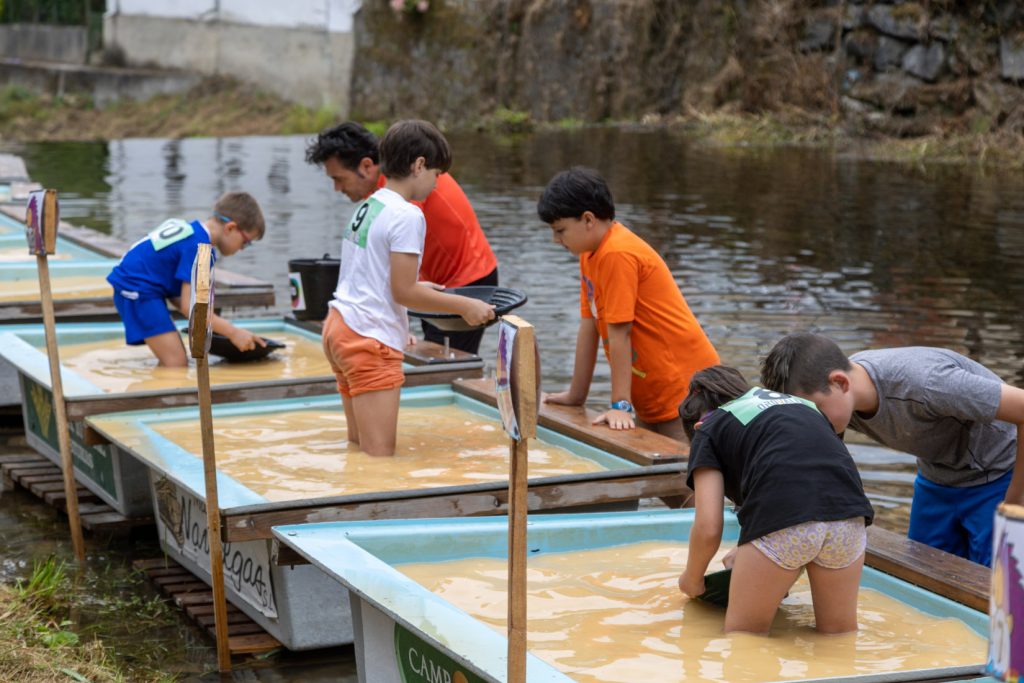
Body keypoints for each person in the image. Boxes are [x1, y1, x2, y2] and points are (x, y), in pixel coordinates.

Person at [760, 333, 1024, 566]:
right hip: (938, 475)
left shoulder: (927, 383)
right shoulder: (838, 400)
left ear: (840, 382)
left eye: (813, 411)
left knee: (998, 584)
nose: (810, 424)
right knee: (924, 573)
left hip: (1000, 472)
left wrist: (1014, 501)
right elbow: (802, 468)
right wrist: (764, 541)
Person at [321, 119, 495, 457]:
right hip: (368, 339)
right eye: (436, 174)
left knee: (358, 451)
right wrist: (465, 306)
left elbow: (368, 274)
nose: (437, 183)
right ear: (418, 166)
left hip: (339, 327)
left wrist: (417, 287)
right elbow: (404, 293)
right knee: (380, 459)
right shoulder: (408, 214)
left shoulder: (369, 206)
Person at [677, 366, 875, 635]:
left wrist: (692, 578)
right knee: (838, 638)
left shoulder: (708, 429)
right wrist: (750, 550)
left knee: (744, 641)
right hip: (849, 519)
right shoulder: (801, 405)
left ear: (697, 424)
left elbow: (708, 527)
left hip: (783, 525)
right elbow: (809, 474)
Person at [537, 167, 720, 441]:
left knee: (686, 472)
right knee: (650, 470)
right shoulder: (590, 254)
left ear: (588, 219)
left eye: (560, 230)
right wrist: (576, 395)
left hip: (684, 388)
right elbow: (590, 326)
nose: (556, 239)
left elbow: (619, 331)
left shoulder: (617, 253)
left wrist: (620, 406)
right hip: (649, 386)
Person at [305, 121, 498, 355]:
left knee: (446, 361)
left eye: (339, 178)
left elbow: (393, 276)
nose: (337, 188)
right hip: (426, 283)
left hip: (466, 278)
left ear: (367, 165)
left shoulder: (401, 195)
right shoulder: (387, 197)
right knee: (429, 354)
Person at [106, 191, 267, 368]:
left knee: (175, 360)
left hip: (133, 286)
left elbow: (182, 299)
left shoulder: (191, 231)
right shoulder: (202, 249)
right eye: (246, 242)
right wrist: (234, 333)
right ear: (230, 228)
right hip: (137, 290)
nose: (243, 248)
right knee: (176, 363)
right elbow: (192, 309)